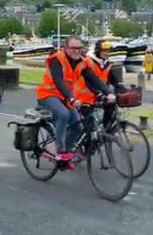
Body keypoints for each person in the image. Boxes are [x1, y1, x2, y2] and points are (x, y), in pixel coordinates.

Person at [36, 36, 116, 164]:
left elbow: (93, 78)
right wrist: (72, 98)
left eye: (79, 48)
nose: (76, 51)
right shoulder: (56, 59)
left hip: (65, 97)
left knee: (78, 127)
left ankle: (66, 153)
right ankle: (60, 151)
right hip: (48, 94)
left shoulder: (82, 62)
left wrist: (108, 93)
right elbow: (59, 81)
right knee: (64, 114)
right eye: (73, 48)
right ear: (65, 48)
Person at [75, 40, 126, 128]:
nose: (107, 53)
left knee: (111, 107)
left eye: (108, 51)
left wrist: (122, 88)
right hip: (84, 97)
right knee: (89, 127)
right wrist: (98, 93)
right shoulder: (88, 61)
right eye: (104, 51)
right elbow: (87, 81)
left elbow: (112, 79)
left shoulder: (106, 63)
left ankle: (106, 133)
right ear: (98, 51)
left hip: (99, 95)